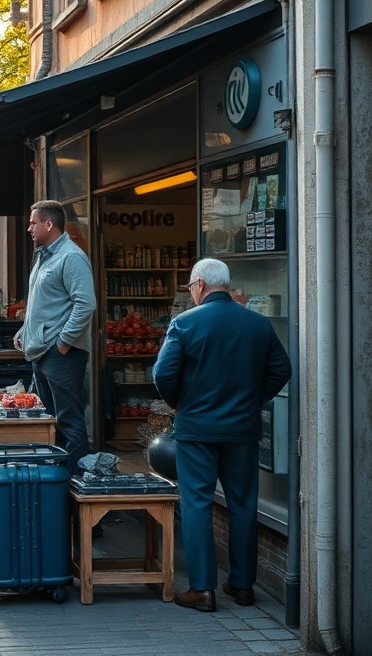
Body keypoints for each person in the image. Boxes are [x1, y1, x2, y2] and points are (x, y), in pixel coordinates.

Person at [153, 257, 290, 613]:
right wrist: (253, 400)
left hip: (197, 429)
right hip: (242, 429)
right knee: (244, 504)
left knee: (197, 503)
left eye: (190, 287)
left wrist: (178, 403)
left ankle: (202, 589)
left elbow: (163, 374)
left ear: (198, 285)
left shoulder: (184, 323)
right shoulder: (258, 324)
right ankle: (243, 586)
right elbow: (281, 369)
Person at [12, 199, 96, 476]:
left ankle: (75, 487)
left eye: (33, 222)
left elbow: (85, 303)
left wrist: (63, 342)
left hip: (61, 354)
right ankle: (56, 484)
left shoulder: (71, 257)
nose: (29, 228)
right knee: (50, 421)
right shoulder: (44, 256)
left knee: (69, 422)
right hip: (42, 352)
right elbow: (43, 303)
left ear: (49, 224)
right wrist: (26, 330)